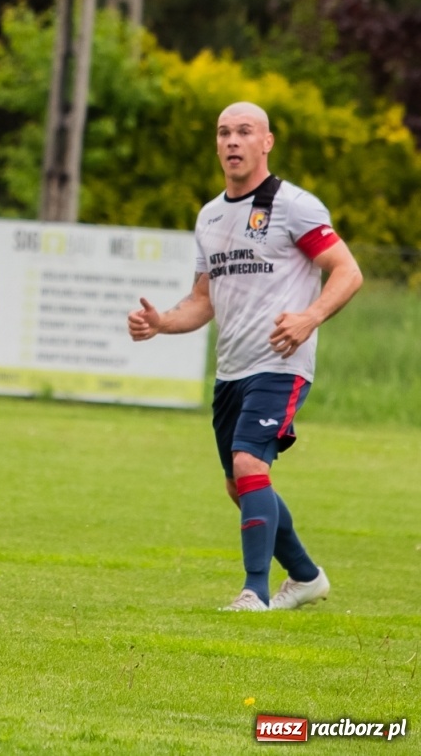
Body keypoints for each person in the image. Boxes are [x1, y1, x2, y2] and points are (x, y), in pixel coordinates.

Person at [128, 102, 363, 611]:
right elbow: (203, 300)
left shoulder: (294, 206)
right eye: (224, 133)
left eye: (244, 132)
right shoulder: (210, 216)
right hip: (231, 372)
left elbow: (347, 272)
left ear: (267, 142)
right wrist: (162, 322)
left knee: (248, 461)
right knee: (242, 485)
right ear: (216, 145)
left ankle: (253, 592)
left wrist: (308, 318)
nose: (232, 141)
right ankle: (305, 577)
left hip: (280, 362)